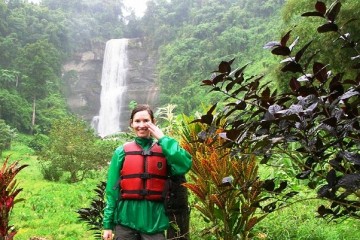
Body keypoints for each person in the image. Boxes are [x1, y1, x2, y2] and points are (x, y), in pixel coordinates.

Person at [102, 104, 192, 240]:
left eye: (146, 121)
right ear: (131, 123)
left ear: (153, 123)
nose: (141, 125)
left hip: (155, 222)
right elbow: (111, 191)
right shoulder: (121, 152)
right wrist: (107, 224)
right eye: (137, 121)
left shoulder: (165, 150)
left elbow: (184, 164)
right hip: (125, 222)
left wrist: (163, 138)